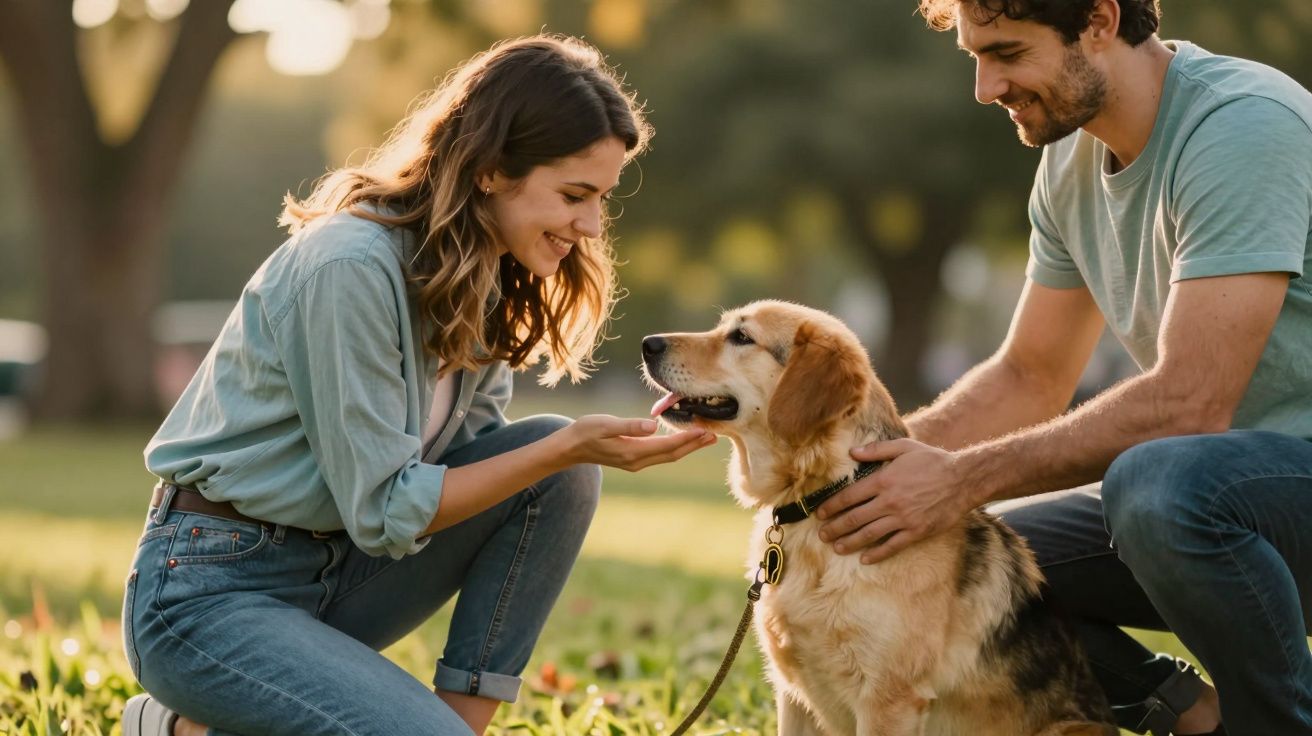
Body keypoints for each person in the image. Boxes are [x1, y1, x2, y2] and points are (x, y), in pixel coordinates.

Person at [120, 34, 716, 736]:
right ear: (492, 169)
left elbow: (477, 479)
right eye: (574, 195)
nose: (589, 226)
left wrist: (565, 457)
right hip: (208, 590)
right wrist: (566, 449)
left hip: (340, 574)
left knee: (559, 475)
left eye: (601, 200)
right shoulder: (350, 266)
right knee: (558, 455)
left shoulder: (485, 277)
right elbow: (385, 510)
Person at [811, 1, 1312, 734]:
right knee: (981, 560)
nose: (986, 87)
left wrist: (958, 480)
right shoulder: (1070, 156)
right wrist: (850, 480)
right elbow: (1028, 375)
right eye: (975, 57)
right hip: (1238, 494)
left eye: (1008, 53)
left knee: (1155, 482)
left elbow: (1190, 403)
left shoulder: (1242, 124)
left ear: (1101, 22)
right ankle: (1191, 717)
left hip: (1271, 484)